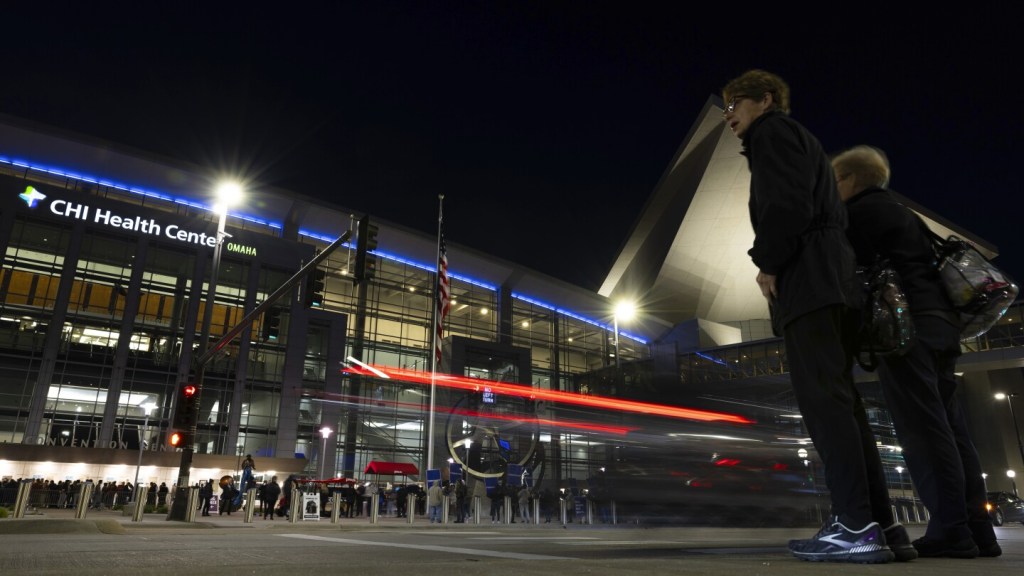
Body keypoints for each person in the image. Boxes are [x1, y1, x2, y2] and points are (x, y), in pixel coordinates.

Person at [721, 69, 898, 564]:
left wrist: (768, 263)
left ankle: (855, 525)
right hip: (835, 279)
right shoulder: (800, 138)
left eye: (735, 103)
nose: (729, 114)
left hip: (810, 280)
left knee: (824, 404)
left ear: (765, 100)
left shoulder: (771, 133)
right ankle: (881, 525)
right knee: (845, 405)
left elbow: (786, 205)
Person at [832, 145, 1000, 558]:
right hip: (942, 325)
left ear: (849, 179)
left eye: (834, 182)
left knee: (924, 431)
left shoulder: (858, 214)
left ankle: (951, 531)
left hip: (907, 330)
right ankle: (979, 530)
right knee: (952, 428)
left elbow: (839, 267)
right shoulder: (902, 213)